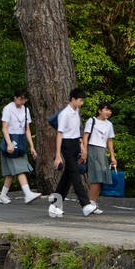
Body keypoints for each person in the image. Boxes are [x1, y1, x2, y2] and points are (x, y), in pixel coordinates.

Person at [47, 88, 95, 217]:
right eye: (80, 100)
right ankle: (85, 204)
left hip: (75, 143)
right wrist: (58, 155)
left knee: (67, 177)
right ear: (73, 99)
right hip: (66, 144)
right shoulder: (65, 114)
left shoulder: (76, 111)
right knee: (74, 174)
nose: (82, 103)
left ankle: (54, 205)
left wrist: (82, 147)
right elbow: (59, 134)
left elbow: (76, 131)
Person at [0, 88, 41, 204]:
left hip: (21, 140)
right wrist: (8, 144)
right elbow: (5, 128)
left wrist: (31, 146)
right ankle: (28, 194)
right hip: (11, 140)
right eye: (20, 98)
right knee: (20, 169)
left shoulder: (26, 110)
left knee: (11, 173)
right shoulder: (8, 109)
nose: (23, 101)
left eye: (24, 99)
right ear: (15, 98)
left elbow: (27, 130)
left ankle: (2, 196)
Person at [83, 102, 117, 209]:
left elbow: (109, 141)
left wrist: (112, 156)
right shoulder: (92, 120)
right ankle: (90, 204)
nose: (108, 112)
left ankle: (92, 203)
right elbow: (85, 136)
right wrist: (84, 151)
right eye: (106, 110)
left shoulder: (109, 124)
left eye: (110, 110)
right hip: (92, 149)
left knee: (101, 179)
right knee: (96, 178)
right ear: (99, 110)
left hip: (102, 151)